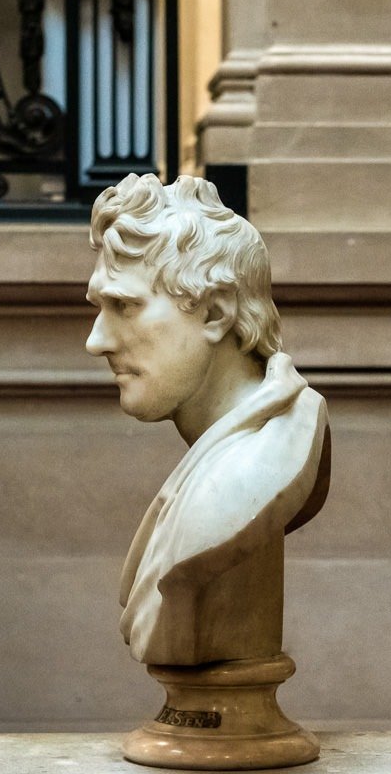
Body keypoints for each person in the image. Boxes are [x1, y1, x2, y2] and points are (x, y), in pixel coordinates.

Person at [85, 173, 330, 666]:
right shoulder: (228, 462)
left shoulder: (255, 468)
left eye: (124, 306)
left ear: (216, 313)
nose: (97, 341)